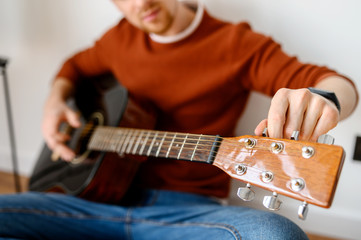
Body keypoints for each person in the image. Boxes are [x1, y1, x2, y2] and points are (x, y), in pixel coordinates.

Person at [0, 0, 358, 239]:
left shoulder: (236, 43)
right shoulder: (119, 38)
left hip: (187, 213)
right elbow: (74, 66)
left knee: (276, 234)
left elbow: (338, 85)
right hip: (91, 204)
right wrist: (54, 101)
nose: (141, 4)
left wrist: (324, 98)